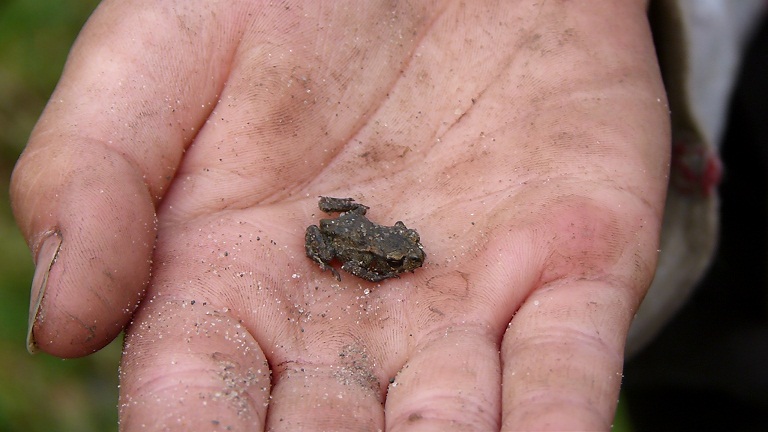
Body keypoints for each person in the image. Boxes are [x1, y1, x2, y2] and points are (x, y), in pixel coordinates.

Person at [11, 1, 670, 430]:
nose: (411, 259)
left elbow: (393, 245)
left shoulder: (395, 245)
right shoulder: (372, 258)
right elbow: (362, 261)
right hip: (342, 236)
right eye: (405, 257)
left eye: (407, 254)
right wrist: (363, 263)